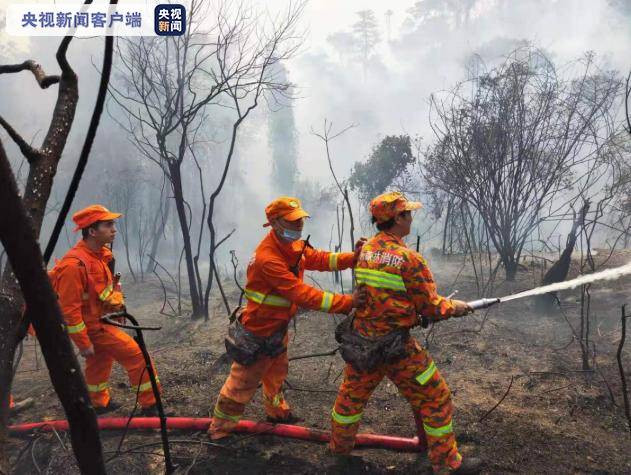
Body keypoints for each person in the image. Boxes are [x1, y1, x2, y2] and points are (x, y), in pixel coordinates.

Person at [329, 192, 482, 474]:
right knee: (436, 396)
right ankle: (446, 464)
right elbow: (431, 307)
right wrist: (457, 307)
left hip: (362, 346)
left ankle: (338, 453)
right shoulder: (409, 259)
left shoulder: (364, 251)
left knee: (349, 402)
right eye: (407, 213)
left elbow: (372, 295)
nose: (411, 217)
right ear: (397, 219)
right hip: (398, 351)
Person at [208, 196, 366, 440]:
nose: (299, 226)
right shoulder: (267, 259)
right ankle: (219, 430)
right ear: (275, 223)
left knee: (276, 373)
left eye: (299, 220)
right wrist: (347, 302)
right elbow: (302, 294)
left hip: (277, 329)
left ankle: (276, 412)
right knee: (241, 384)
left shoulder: (291, 246)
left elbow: (321, 259)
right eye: (292, 222)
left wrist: (352, 258)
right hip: (258, 332)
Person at [50, 204, 161, 415]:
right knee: (137, 357)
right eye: (108, 224)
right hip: (94, 328)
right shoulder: (74, 266)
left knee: (99, 362)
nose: (114, 229)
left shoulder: (99, 256)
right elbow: (70, 311)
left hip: (103, 322)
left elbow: (104, 292)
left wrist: (117, 311)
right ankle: (151, 406)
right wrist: (83, 343)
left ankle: (97, 404)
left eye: (113, 224)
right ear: (92, 231)